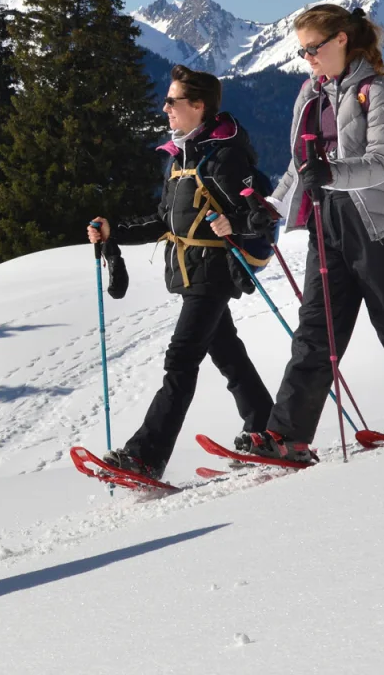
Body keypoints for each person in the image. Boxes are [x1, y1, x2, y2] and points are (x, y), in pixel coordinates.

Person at [241, 4, 384, 464]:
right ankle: (287, 436)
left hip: (376, 222)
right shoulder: (309, 94)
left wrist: (329, 172)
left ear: (341, 40)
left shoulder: (379, 93)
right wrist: (272, 206)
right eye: (302, 52)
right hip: (326, 220)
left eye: (313, 48)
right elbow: (300, 166)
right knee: (316, 330)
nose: (307, 58)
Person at [86, 65, 274, 480]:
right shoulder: (179, 158)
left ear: (198, 106)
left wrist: (236, 226)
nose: (165, 107)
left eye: (172, 101)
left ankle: (146, 456)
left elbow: (260, 216)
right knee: (228, 355)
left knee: (181, 360)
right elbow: (163, 221)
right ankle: (267, 426)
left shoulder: (225, 157)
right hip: (192, 275)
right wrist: (115, 229)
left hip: (214, 273)